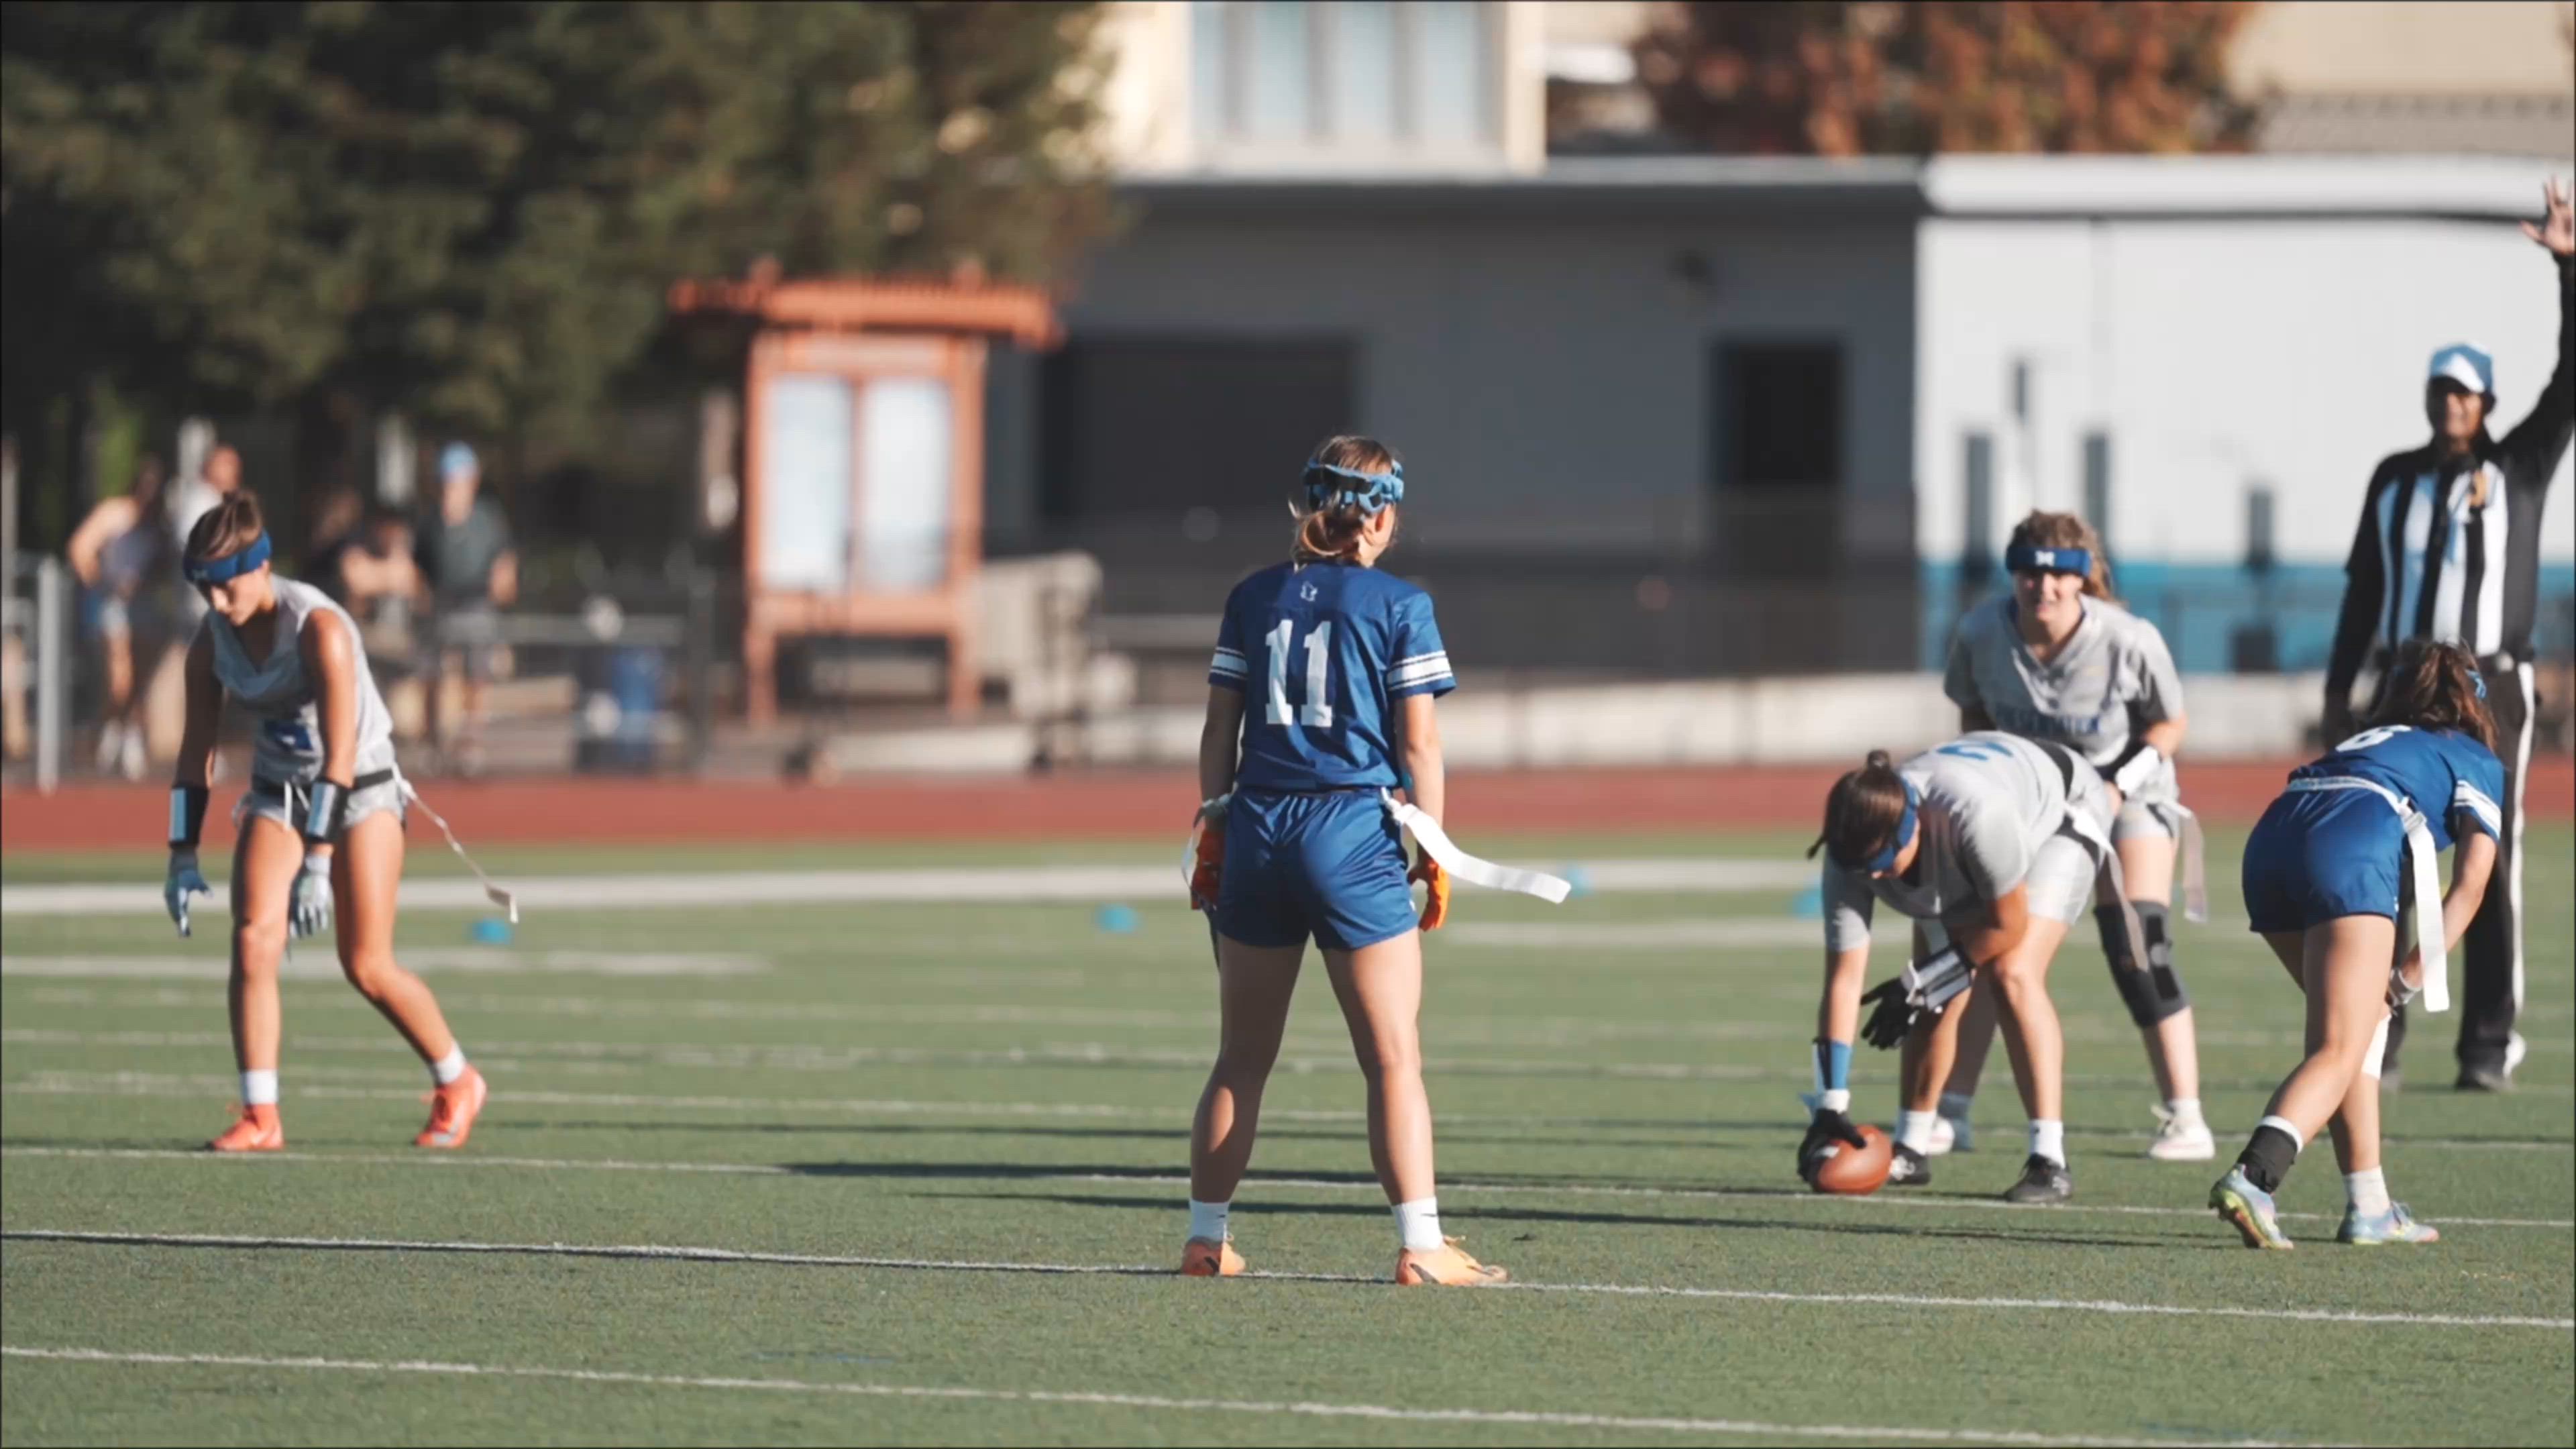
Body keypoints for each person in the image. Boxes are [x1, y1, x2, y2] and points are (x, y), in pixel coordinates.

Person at [1179, 435, 1504, 1286]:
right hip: (1351, 830)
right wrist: (1431, 845)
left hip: (1255, 824)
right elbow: (1420, 742)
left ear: (1306, 505)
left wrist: (1214, 821)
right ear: (1384, 517)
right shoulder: (1401, 603)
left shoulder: (1252, 596)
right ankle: (1422, 1246)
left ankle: (1206, 1239)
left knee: (1240, 1058)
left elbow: (1221, 728)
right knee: (1393, 1056)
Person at [2322, 178, 2572, 1093]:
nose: (2451, 407)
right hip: (2400, 682)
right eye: (2441, 393)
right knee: (2386, 853)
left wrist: (2568, 270)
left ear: (2488, 402)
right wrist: (2337, 688)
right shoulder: (2395, 480)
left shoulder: (2520, 468)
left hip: (2489, 685)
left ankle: (2485, 1046)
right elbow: (2362, 591)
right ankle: (2382, 1038)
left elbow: (2570, 381)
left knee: (2487, 861)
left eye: (2465, 395)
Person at [164, 491, 488, 1152]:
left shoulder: (319, 627)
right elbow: (195, 748)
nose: (218, 604)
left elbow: (340, 753)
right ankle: (262, 1113)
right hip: (278, 790)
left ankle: (459, 1080)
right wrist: (180, 850)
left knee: (365, 963)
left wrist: (318, 862)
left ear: (262, 566)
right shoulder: (211, 640)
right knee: (254, 938)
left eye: (227, 586)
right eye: (205, 589)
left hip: (359, 789)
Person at [1934, 511, 2211, 1162]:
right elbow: (1972, 711)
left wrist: (2116, 784)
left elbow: (2170, 724)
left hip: (2127, 798)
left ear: (2083, 578)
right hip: (2033, 805)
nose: (2044, 587)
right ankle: (1953, 1111)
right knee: (1996, 950)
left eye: (2060, 574)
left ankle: (2187, 1118)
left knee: (2139, 946)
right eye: (2030, 572)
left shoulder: (2127, 638)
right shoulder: (1980, 632)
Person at [2211, 640, 2503, 1248]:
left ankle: (2369, 1204)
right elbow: (2471, 887)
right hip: (2350, 839)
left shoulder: (2377, 740)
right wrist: (2405, 983)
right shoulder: (2473, 756)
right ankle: (2256, 1176)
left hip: (2273, 836)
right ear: (2473, 703)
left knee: (2351, 1039)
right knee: (2344, 1042)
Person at [1802, 731, 2137, 1204]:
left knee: (2012, 974)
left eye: (1882, 863)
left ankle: (2049, 1158)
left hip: (2061, 811)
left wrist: (1925, 981)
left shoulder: (1976, 814)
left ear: (1912, 828)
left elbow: (2007, 925)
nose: (1875, 879)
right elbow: (1844, 978)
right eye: (1863, 870)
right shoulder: (1849, 858)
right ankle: (1912, 1147)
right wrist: (1829, 1105)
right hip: (1975, 824)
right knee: (1932, 989)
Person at [66, 455, 176, 779]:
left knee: (139, 679)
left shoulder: (159, 524)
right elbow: (79, 548)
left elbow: (166, 564)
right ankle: (112, 731)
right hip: (111, 602)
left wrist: (146, 582)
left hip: (143, 604)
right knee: (120, 677)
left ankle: (123, 734)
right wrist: (101, 581)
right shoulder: (114, 513)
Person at [413, 442, 517, 775]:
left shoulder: (488, 518)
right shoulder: (429, 522)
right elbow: (417, 566)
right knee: (432, 672)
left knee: (476, 672)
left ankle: (471, 742)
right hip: (440, 604)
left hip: (475, 603)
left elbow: (505, 560)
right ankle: (433, 744)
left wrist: (503, 581)